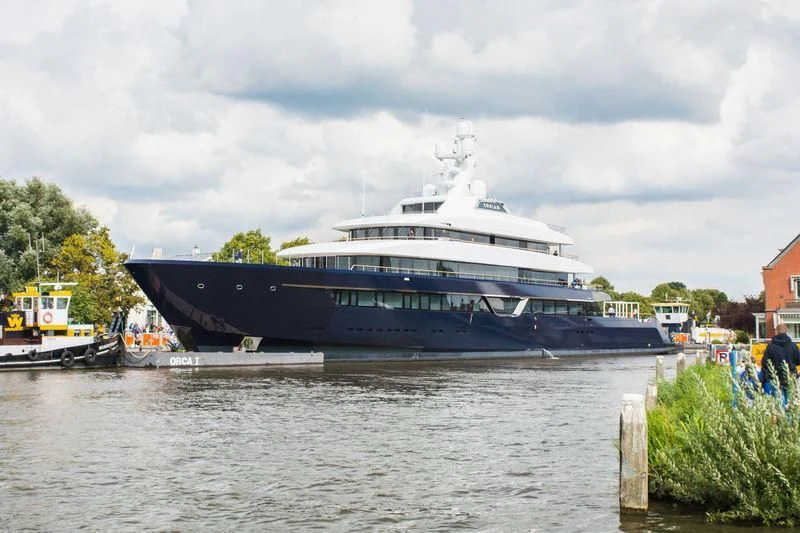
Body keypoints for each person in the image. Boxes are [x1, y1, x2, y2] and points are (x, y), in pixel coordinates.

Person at [760, 323, 800, 400]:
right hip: (790, 378)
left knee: (778, 405)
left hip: (775, 379)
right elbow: (798, 360)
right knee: (790, 404)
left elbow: (765, 363)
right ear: (786, 331)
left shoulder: (770, 346)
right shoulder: (793, 346)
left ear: (776, 332)